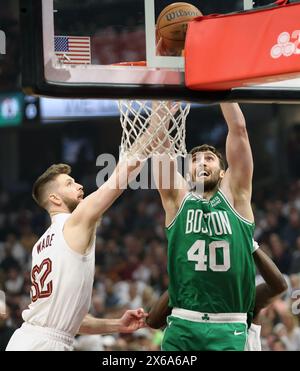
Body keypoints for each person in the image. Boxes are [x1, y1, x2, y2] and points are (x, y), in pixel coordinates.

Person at [6, 160, 147, 351]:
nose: (79, 185)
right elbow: (114, 184)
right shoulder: (73, 223)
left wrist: (118, 325)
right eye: (69, 183)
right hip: (43, 345)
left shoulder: (40, 245)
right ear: (55, 198)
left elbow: (71, 323)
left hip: (28, 340)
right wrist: (142, 150)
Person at [151, 103, 258, 351]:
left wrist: (223, 91)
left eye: (209, 159)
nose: (201, 163)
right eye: (195, 160)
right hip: (182, 322)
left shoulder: (237, 196)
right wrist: (159, 102)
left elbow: (239, 129)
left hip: (229, 323)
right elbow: (159, 144)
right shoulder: (177, 200)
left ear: (223, 173)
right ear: (187, 173)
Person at [146, 244, 287, 351]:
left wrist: (249, 244)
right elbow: (153, 320)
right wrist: (188, 277)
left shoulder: (242, 299)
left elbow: (278, 286)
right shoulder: (189, 296)